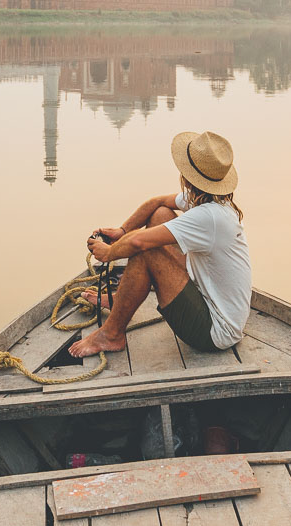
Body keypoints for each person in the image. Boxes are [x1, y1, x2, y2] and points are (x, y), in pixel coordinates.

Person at [69, 131, 252, 358]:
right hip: (206, 296)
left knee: (147, 252)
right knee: (161, 214)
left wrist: (109, 253)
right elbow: (157, 203)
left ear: (187, 176)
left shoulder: (210, 216)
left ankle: (112, 334)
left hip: (215, 331)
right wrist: (122, 231)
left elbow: (138, 242)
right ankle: (122, 301)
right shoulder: (207, 199)